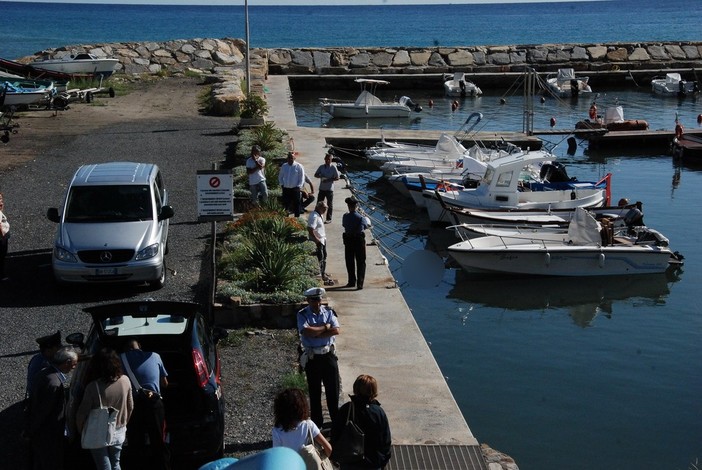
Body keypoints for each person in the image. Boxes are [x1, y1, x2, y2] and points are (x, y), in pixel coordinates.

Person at [76, 347, 134, 470]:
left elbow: (82, 413)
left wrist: (81, 429)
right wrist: (124, 423)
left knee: (103, 465)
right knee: (116, 463)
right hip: (119, 429)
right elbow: (130, 406)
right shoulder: (125, 381)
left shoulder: (93, 387)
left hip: (98, 431)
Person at [120, 338, 170, 470]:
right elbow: (165, 383)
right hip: (154, 402)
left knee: (136, 440)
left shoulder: (121, 358)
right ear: (140, 347)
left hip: (134, 403)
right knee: (158, 439)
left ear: (126, 349)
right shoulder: (155, 356)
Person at [26, 346, 79, 470]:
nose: (74, 367)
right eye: (74, 364)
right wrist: (30, 431)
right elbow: (43, 411)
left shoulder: (45, 373)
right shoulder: (54, 383)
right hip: (49, 434)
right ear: (67, 363)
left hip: (42, 434)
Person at [297, 287, 340, 428]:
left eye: (319, 299)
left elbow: (336, 330)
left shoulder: (329, 312)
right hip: (313, 357)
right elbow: (306, 332)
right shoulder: (302, 314)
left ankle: (335, 421)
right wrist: (325, 327)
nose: (317, 302)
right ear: (308, 300)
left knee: (332, 390)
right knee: (314, 392)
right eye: (314, 300)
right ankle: (317, 424)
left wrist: (317, 332)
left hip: (328, 355)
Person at [331, 375, 391, 470]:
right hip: (372, 463)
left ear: (356, 388)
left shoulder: (347, 409)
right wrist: (382, 461)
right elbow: (385, 441)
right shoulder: (379, 412)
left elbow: (335, 434)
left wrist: (336, 457)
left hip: (350, 461)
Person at [272, 388, 333, 468]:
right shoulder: (308, 425)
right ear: (302, 407)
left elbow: (277, 458)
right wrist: (320, 458)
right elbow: (328, 448)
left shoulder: (277, 431)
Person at [341, 197, 371, 290]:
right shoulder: (361, 218)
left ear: (348, 206)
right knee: (361, 262)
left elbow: (344, 225)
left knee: (349, 261)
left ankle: (351, 281)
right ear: (356, 206)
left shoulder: (345, 216)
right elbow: (365, 227)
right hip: (359, 240)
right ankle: (360, 283)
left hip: (348, 240)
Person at [26, 330, 62, 400]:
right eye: (58, 347)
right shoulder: (45, 365)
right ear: (48, 350)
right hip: (40, 396)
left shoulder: (37, 357)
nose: (60, 349)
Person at [314, 153, 341, 223]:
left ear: (331, 160)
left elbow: (337, 178)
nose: (327, 161)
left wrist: (329, 180)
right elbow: (315, 175)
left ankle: (329, 219)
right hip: (322, 188)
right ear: (324, 159)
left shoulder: (333, 168)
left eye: (329, 159)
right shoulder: (321, 167)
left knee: (329, 204)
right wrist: (321, 176)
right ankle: (317, 216)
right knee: (319, 203)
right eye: (326, 159)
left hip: (329, 189)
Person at [279, 152, 306, 217]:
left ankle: (297, 218)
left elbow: (302, 177)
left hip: (295, 189)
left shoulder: (299, 166)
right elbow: (280, 176)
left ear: (294, 158)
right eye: (289, 158)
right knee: (286, 204)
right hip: (286, 188)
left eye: (291, 158)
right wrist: (282, 184)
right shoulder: (284, 166)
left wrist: (298, 187)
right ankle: (286, 217)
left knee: (296, 204)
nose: (290, 159)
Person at [308, 201, 329, 283]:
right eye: (324, 208)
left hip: (323, 239)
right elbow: (310, 229)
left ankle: (323, 272)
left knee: (324, 256)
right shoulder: (314, 216)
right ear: (318, 207)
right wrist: (316, 240)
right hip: (318, 240)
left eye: (326, 208)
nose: (325, 210)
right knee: (320, 257)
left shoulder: (320, 215)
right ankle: (320, 274)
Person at [0, 192, 9, 281]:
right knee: (2, 255)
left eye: (1, 199)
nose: (1, 201)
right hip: (1, 237)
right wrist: (2, 235)